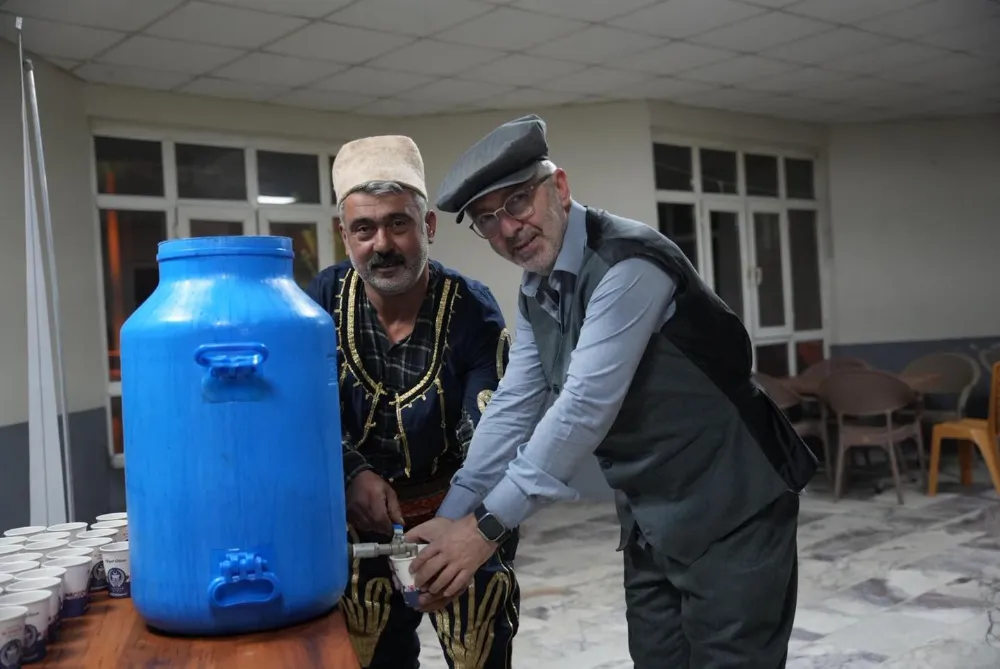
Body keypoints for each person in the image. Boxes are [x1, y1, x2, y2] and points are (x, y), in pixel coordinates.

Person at [405, 115, 818, 669]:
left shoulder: (628, 264)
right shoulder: (536, 289)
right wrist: (454, 513)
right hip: (653, 518)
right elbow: (514, 405)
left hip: (733, 506)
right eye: (486, 219)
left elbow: (581, 409)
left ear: (559, 188)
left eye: (518, 201)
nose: (508, 228)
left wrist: (486, 529)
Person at [305, 135, 520, 669]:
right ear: (344, 235)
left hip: (457, 512)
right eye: (364, 228)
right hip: (352, 522)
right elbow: (298, 413)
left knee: (478, 641)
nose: (382, 243)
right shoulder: (318, 303)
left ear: (428, 226)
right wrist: (350, 472)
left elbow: (493, 439)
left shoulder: (471, 310)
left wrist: (456, 532)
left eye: (398, 223)